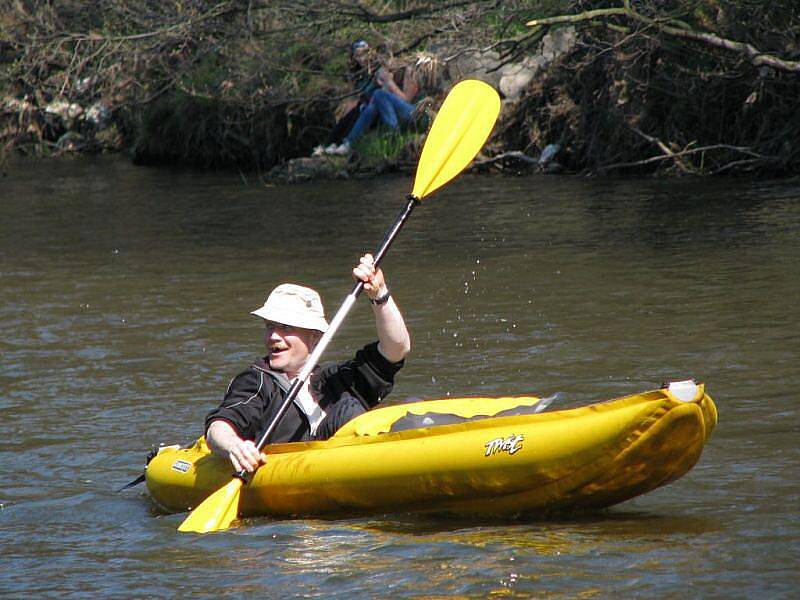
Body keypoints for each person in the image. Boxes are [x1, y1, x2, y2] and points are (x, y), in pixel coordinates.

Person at [204, 254, 411, 473]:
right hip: (288, 474)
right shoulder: (257, 381)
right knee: (347, 409)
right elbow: (219, 426)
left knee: (408, 406)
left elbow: (396, 349)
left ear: (315, 336)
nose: (273, 336)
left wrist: (379, 294)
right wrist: (234, 446)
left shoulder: (333, 382)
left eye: (286, 328)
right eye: (269, 326)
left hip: (347, 469)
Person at [323, 54, 439, 156]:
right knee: (372, 105)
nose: (389, 67)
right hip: (403, 113)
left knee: (379, 94)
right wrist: (384, 85)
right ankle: (347, 143)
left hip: (419, 114)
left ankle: (392, 134)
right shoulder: (389, 73)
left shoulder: (410, 71)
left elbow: (406, 99)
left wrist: (389, 83)